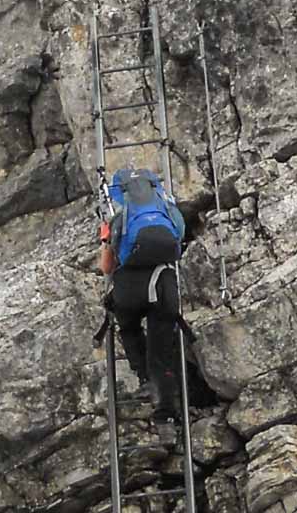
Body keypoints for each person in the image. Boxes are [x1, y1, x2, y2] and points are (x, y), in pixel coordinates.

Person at [98, 168, 187, 420]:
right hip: (163, 285)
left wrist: (106, 241)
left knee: (128, 327)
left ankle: (144, 378)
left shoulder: (118, 219)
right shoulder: (167, 210)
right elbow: (179, 238)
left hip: (130, 289)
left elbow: (106, 267)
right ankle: (166, 412)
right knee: (161, 349)